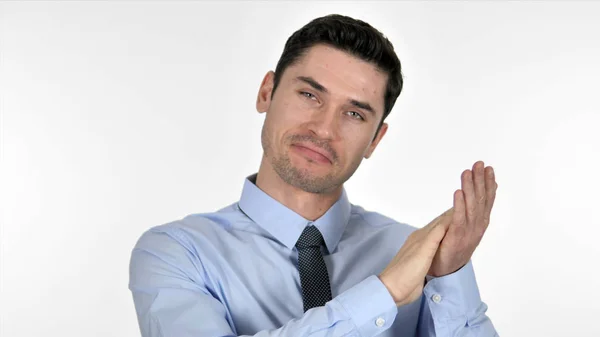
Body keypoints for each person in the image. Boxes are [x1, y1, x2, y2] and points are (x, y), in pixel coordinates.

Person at [129, 14, 499, 337]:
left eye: (355, 114)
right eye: (309, 94)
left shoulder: (415, 255)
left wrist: (451, 276)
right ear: (266, 92)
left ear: (375, 139)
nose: (324, 129)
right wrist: (383, 293)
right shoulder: (177, 254)